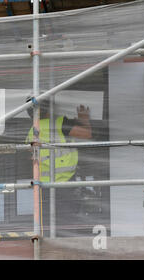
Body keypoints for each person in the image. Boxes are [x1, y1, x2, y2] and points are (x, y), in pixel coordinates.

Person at [26, 98, 92, 237]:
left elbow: (31, 160)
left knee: (47, 228)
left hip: (43, 188)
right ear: (49, 109)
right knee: (67, 226)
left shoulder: (31, 133)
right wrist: (84, 119)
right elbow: (87, 134)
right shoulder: (59, 123)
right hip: (65, 185)